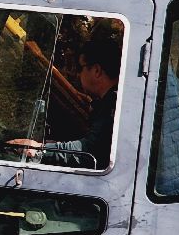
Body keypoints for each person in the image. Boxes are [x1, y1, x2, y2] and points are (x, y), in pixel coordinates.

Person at [8, 30, 121, 170]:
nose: (77, 74)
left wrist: (39, 149)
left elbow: (88, 151)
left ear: (97, 71)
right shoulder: (109, 102)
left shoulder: (114, 106)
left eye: (81, 68)